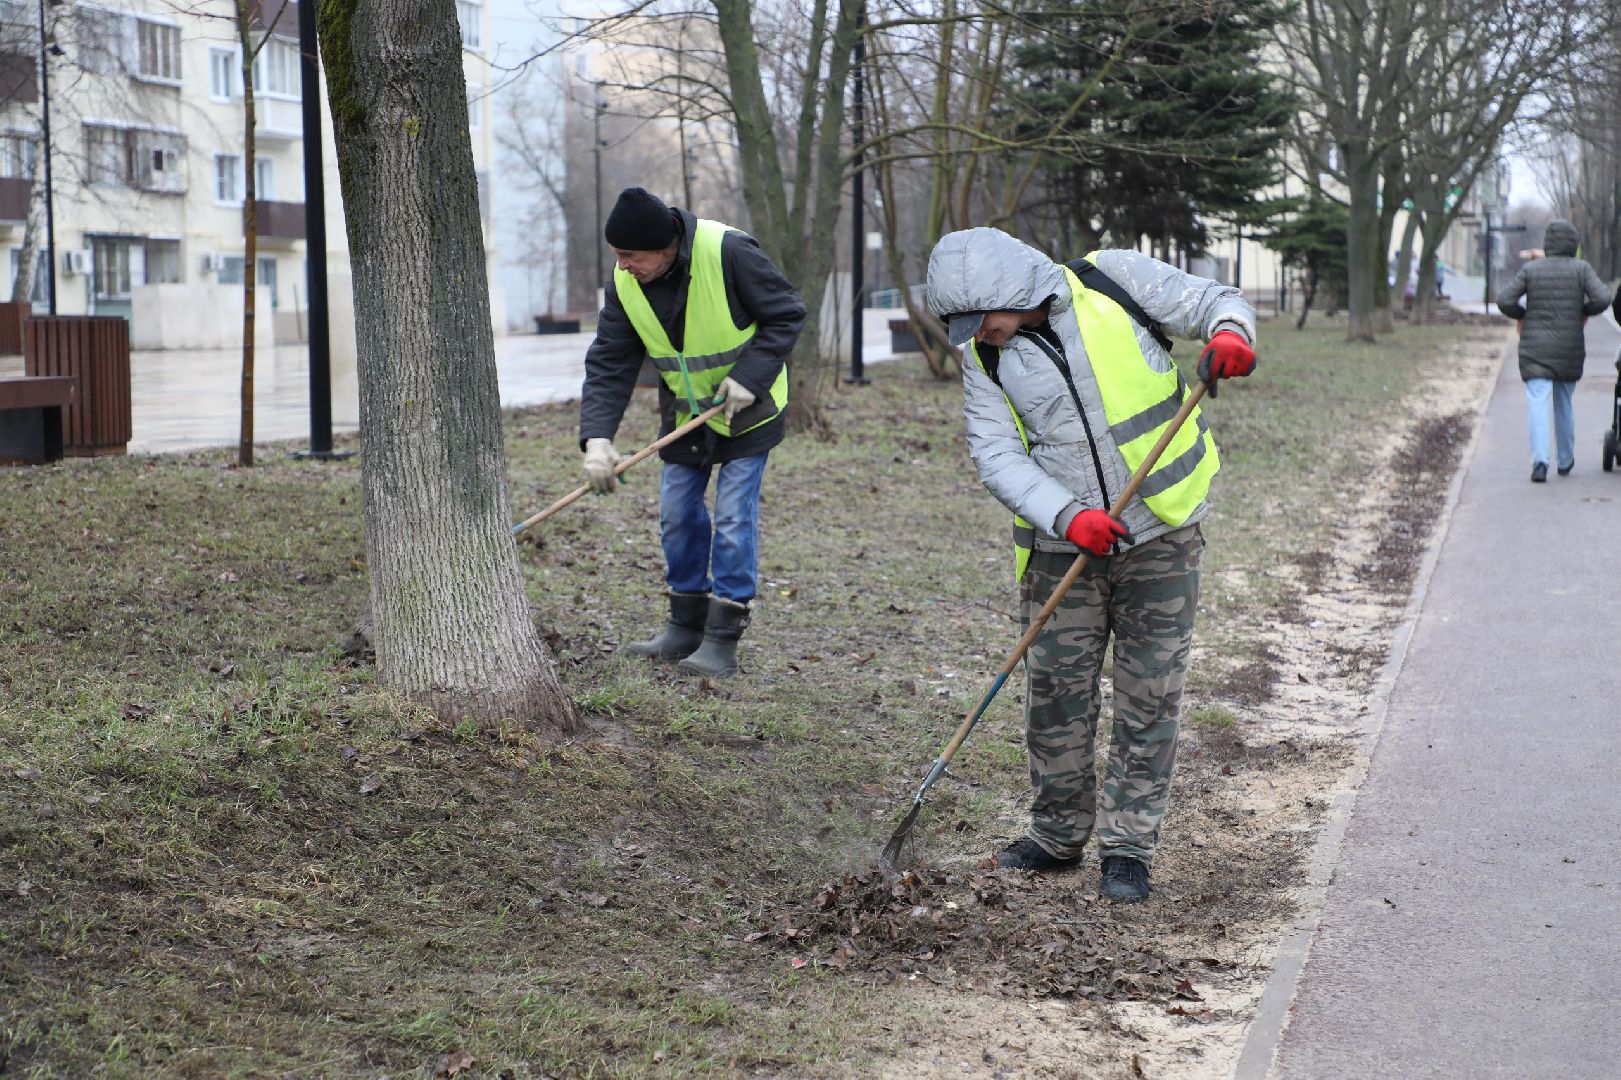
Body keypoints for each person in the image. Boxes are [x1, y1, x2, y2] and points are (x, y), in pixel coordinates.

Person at [926, 227, 1257, 903]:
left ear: (1010, 292)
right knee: (1055, 697)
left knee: (1148, 694)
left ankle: (1127, 847)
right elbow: (994, 454)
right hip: (1061, 549)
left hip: (1159, 530)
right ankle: (1054, 835)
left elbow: (1212, 302)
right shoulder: (984, 360)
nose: (977, 336)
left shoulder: (1111, 280)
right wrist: (1065, 514)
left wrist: (1230, 335)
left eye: (982, 321)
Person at [579, 188, 806, 676]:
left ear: (664, 247)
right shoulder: (625, 285)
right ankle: (684, 625)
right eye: (617, 255)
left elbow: (786, 312)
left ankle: (723, 636)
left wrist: (749, 378)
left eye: (630, 256)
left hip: (750, 408)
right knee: (678, 516)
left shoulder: (728, 251)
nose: (622, 267)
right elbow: (610, 361)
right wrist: (597, 439)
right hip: (686, 417)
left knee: (731, 519)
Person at [1496, 220, 1611, 482]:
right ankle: (1566, 459)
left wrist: (1523, 314)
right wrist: (1583, 311)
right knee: (1563, 402)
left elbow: (1505, 300)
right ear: (1573, 244)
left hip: (1535, 347)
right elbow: (1602, 298)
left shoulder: (1531, 270)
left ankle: (1539, 462)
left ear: (1548, 242)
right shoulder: (1581, 269)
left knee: (1537, 402)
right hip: (1569, 345)